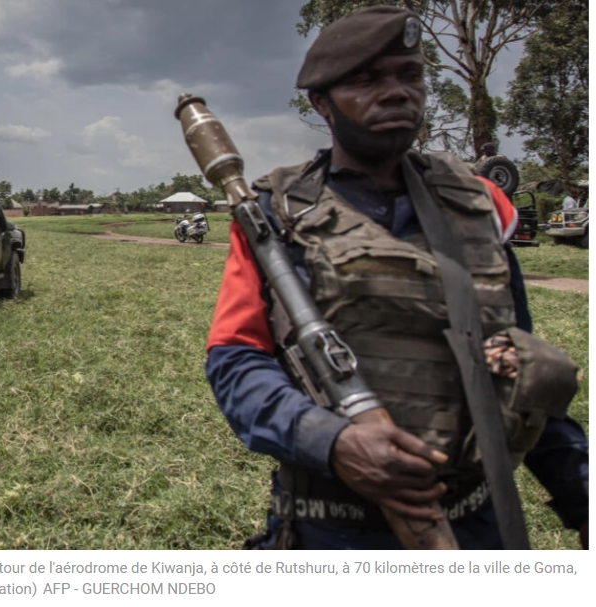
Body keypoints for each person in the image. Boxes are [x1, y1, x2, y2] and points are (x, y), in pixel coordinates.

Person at [205, 6, 588, 550]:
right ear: (321, 103)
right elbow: (236, 361)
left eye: (409, 76)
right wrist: (332, 442)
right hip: (331, 531)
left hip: (481, 526)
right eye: (366, 80)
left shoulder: (482, 206)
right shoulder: (272, 215)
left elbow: (517, 369)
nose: (396, 92)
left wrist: (582, 498)